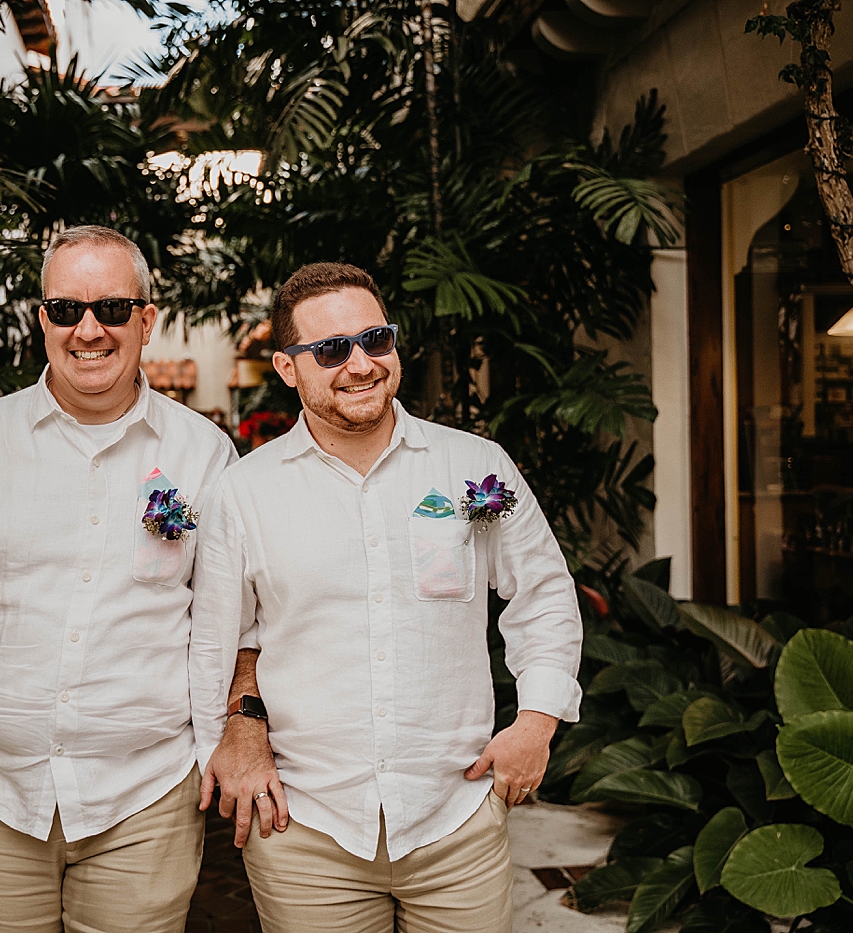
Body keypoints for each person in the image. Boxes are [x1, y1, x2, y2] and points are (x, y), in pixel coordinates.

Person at [192, 262, 583, 933]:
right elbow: (220, 638)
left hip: (455, 816)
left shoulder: (474, 467)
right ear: (288, 368)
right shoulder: (245, 492)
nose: (361, 363)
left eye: (375, 338)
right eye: (332, 349)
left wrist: (537, 720)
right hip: (305, 828)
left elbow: (543, 594)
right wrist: (232, 736)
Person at [0, 225, 236, 933]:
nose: (89, 330)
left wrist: (207, 753)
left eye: (110, 308)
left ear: (146, 319)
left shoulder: (204, 453)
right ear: (41, 319)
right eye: (66, 309)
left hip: (147, 795)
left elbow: (220, 623)